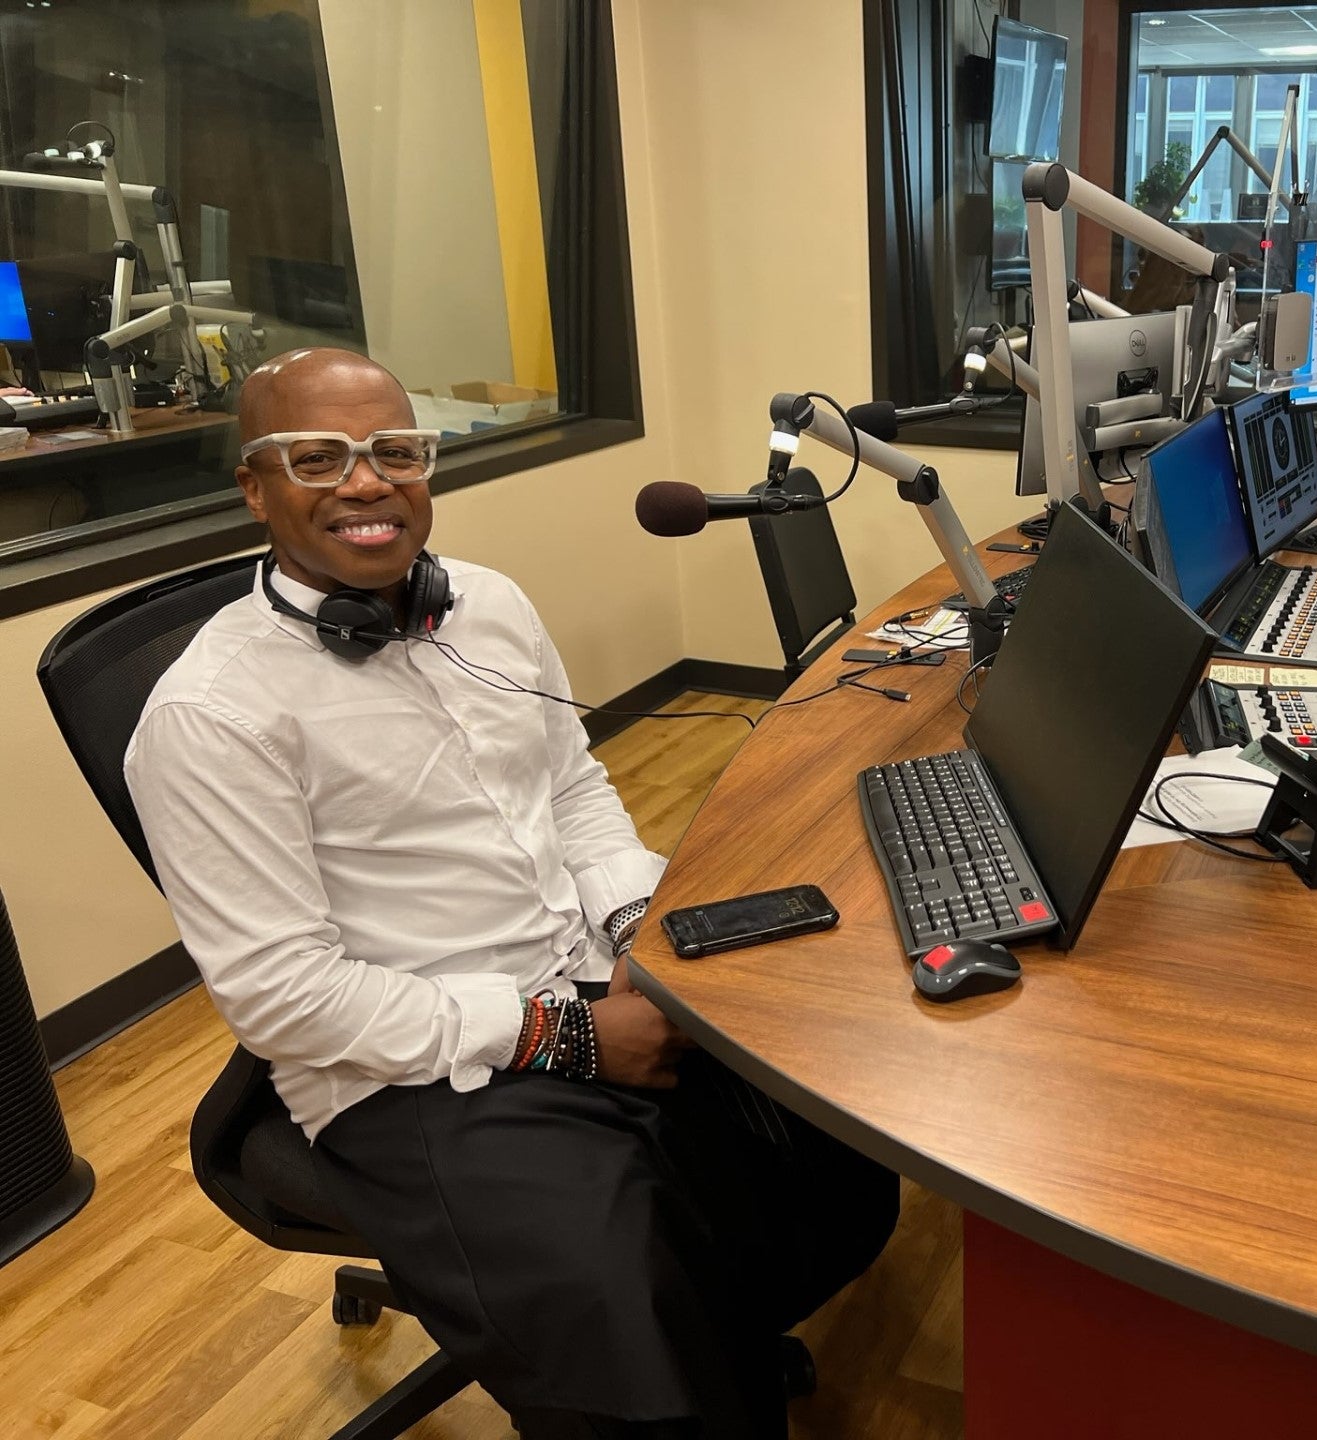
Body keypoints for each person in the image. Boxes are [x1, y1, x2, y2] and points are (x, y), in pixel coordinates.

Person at [125, 348, 898, 1437]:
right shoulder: (209, 716)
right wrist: (572, 1037)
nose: (366, 481)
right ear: (255, 488)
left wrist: (639, 930)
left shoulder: (487, 605)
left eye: (396, 452)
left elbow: (571, 790)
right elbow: (282, 997)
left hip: (586, 973)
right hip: (408, 1063)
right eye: (319, 458)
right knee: (621, 1310)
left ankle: (720, 1342)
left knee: (831, 1141)